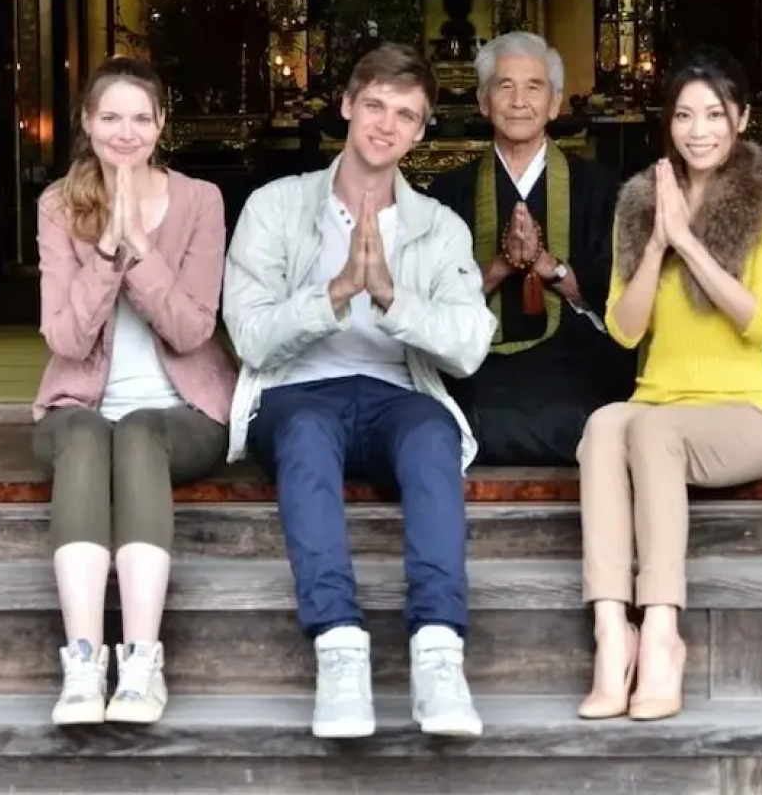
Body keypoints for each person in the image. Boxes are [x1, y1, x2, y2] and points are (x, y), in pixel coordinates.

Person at [221, 42, 497, 741]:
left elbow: (468, 347)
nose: (385, 124)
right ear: (346, 105)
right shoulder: (275, 206)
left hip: (393, 393)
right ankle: (339, 647)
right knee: (307, 436)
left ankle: (439, 649)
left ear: (421, 129)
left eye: (405, 114)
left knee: (435, 434)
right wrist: (336, 292)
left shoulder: (440, 227)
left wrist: (391, 298)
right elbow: (249, 338)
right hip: (295, 394)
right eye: (374, 105)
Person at [575, 48, 762, 722]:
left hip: (742, 415)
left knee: (645, 426)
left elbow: (758, 325)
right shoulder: (641, 202)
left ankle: (664, 633)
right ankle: (614, 635)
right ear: (667, 123)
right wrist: (654, 245)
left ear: (742, 119)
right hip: (657, 405)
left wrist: (690, 242)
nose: (698, 130)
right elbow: (623, 328)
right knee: (604, 424)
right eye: (683, 116)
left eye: (714, 114)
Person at [31, 56, 237, 726]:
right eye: (111, 117)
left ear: (161, 126)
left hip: (184, 409)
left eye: (140, 118)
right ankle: (85, 663)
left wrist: (142, 252)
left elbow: (191, 328)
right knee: (92, 435)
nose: (126, 132)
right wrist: (106, 253)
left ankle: (143, 662)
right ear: (87, 124)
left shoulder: (200, 201)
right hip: (78, 405)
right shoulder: (59, 205)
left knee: (141, 431)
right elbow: (63, 338)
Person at [429, 32, 635, 466]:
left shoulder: (598, 186)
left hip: (571, 355)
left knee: (581, 418)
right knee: (456, 420)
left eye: (534, 87)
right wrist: (503, 265)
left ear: (554, 102)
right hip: (479, 359)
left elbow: (615, 297)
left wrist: (550, 267)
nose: (519, 100)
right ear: (484, 101)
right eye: (505, 86)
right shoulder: (450, 192)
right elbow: (435, 303)